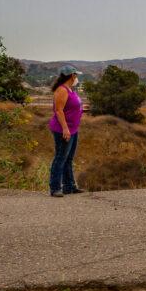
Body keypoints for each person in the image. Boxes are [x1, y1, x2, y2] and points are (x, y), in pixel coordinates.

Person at [48, 65, 85, 197]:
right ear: (72, 76)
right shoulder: (61, 90)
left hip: (73, 129)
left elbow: (71, 107)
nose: (77, 78)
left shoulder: (70, 89)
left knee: (68, 159)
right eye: (76, 75)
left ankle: (69, 186)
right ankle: (55, 187)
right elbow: (58, 110)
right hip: (63, 130)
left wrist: (81, 110)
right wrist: (65, 128)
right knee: (60, 158)